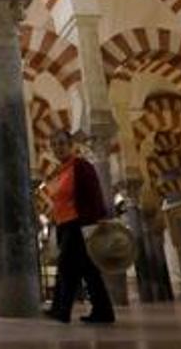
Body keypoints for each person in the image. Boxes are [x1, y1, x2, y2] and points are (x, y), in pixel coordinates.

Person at [44, 130, 114, 324]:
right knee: (87, 269)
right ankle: (103, 311)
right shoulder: (61, 171)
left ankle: (62, 310)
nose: (58, 148)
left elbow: (94, 193)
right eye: (55, 145)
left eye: (61, 143)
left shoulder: (81, 166)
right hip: (64, 225)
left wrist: (97, 220)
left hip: (78, 224)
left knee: (67, 266)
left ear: (70, 144)